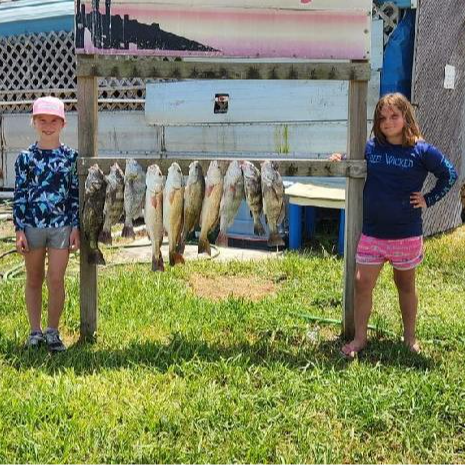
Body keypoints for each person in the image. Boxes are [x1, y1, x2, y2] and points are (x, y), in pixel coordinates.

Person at [331, 93, 457, 359]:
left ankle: (410, 338)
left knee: (405, 286)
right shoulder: (372, 147)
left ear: (406, 117)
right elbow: (353, 160)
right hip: (373, 233)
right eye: (382, 117)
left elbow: (450, 174)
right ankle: (360, 337)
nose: (387, 122)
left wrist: (429, 198)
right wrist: (340, 158)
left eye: (394, 116)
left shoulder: (421, 151)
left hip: (406, 235)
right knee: (361, 283)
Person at [13, 96, 80, 352]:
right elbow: (19, 196)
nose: (48, 125)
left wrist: (75, 227)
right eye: (42, 119)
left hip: (61, 228)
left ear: (63, 123)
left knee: (56, 279)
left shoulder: (71, 158)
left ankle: (53, 331)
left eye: (54, 120)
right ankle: (35, 331)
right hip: (32, 228)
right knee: (34, 278)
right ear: (34, 122)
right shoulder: (25, 158)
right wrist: (19, 229)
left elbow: (75, 193)